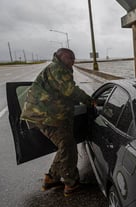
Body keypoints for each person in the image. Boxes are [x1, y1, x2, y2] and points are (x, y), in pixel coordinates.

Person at [21, 48, 93, 197]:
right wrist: (90, 101)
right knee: (68, 145)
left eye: (74, 58)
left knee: (65, 145)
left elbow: (63, 93)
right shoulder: (58, 69)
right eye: (70, 58)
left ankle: (52, 178)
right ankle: (71, 184)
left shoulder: (57, 68)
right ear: (61, 57)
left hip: (46, 114)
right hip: (46, 115)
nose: (73, 61)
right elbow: (70, 90)